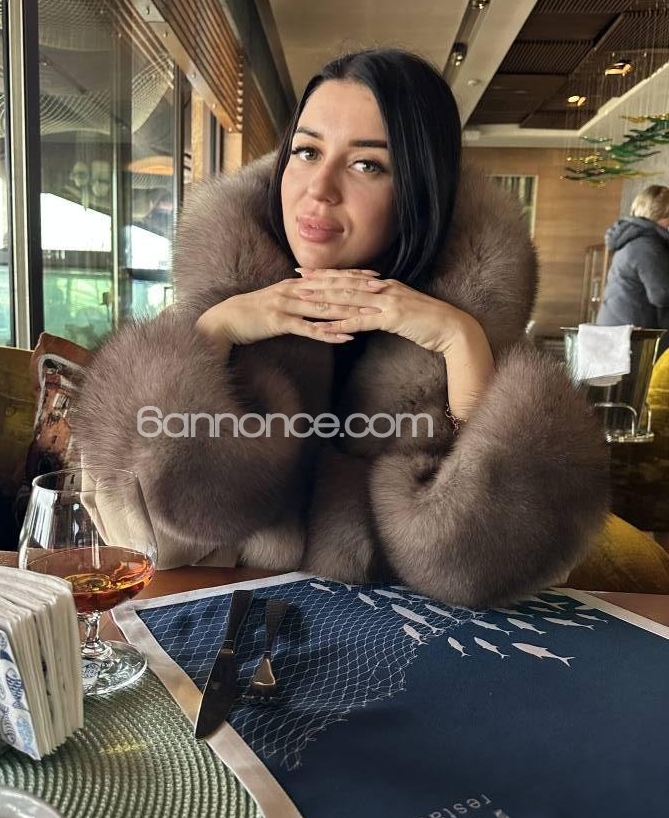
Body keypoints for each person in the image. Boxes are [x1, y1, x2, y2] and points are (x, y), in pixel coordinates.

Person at [74, 49, 608, 607]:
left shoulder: (477, 338)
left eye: (367, 165)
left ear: (419, 193)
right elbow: (141, 543)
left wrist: (460, 339)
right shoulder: (198, 325)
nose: (320, 188)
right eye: (307, 152)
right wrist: (215, 330)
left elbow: (495, 564)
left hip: (401, 646)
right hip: (232, 636)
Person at [597, 185, 669, 355]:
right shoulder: (646, 245)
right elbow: (662, 294)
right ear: (663, 217)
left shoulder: (637, 240)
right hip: (628, 340)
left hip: (619, 332)